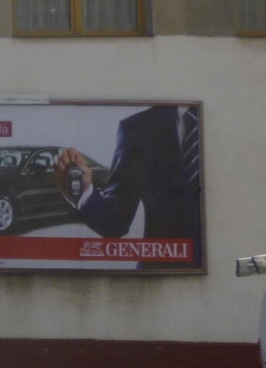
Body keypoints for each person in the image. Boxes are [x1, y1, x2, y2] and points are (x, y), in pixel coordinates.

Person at [54, 104, 202, 264]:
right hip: (161, 273)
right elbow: (114, 223)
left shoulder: (229, 117)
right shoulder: (138, 127)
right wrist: (82, 192)